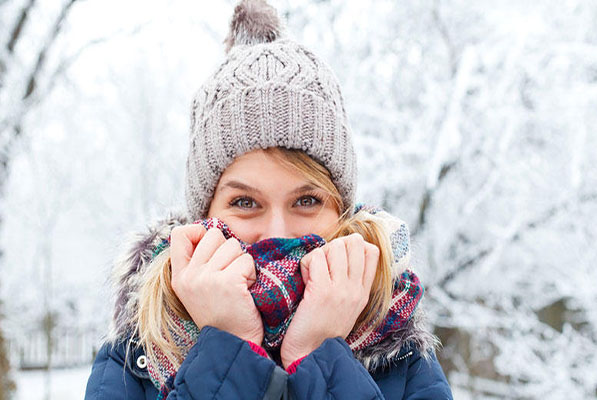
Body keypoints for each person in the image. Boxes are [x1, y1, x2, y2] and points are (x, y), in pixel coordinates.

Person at [85, 0, 453, 398]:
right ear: (203, 215)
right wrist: (230, 348)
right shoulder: (133, 361)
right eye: (245, 202)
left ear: (342, 213)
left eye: (307, 200)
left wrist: (318, 352)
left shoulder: (401, 356)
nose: (276, 233)